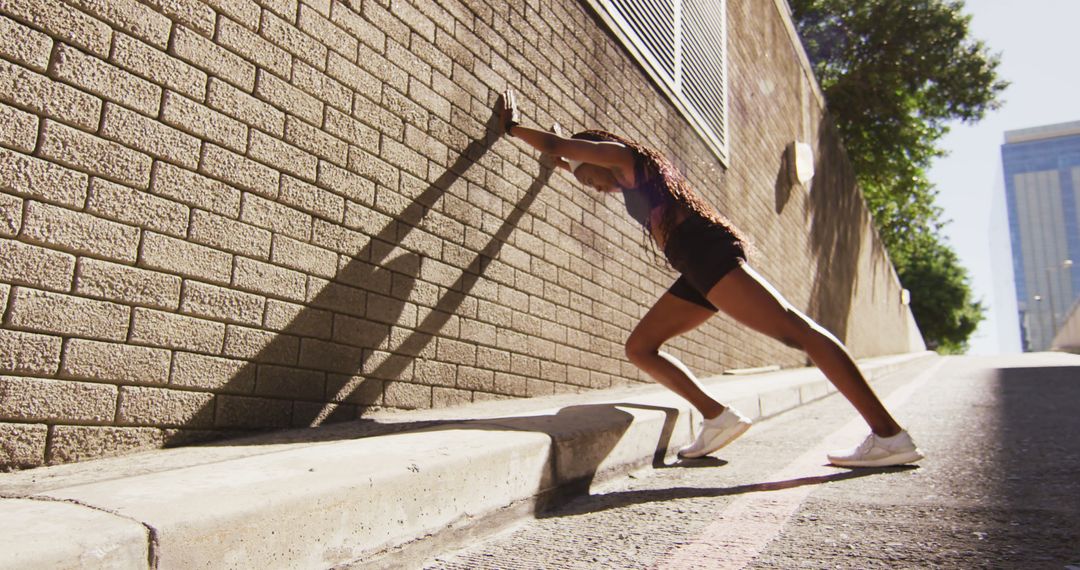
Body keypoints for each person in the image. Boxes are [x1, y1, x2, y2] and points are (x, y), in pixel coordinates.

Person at [498, 92, 922, 467]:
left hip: (705, 252)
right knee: (641, 348)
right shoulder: (624, 178)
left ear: (595, 156)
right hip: (694, 265)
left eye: (587, 178)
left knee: (799, 332)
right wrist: (560, 158)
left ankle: (888, 435)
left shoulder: (627, 160)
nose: (592, 188)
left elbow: (558, 146)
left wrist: (514, 128)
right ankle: (718, 417)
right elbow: (559, 153)